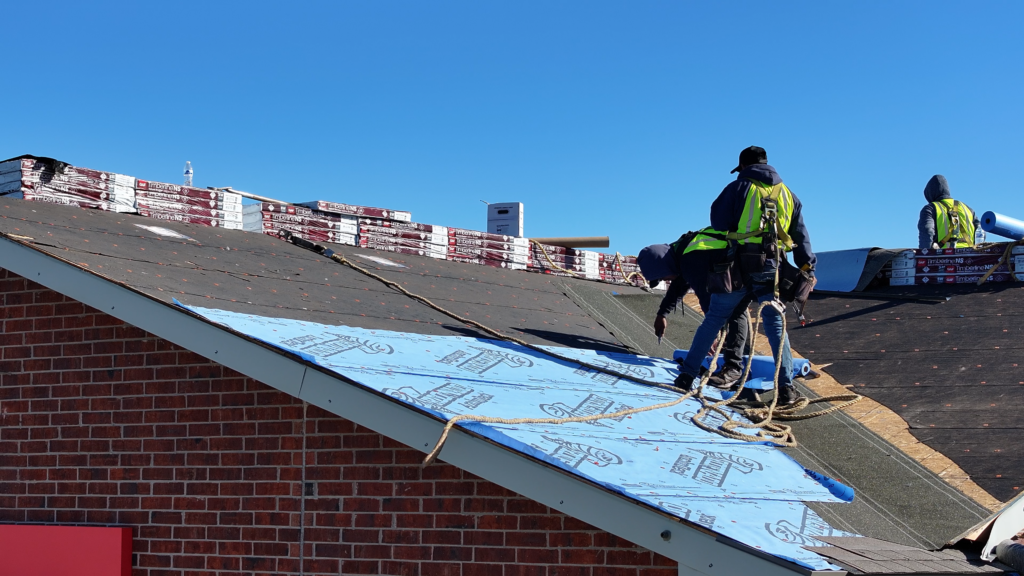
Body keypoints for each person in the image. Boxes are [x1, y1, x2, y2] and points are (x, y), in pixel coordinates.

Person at [676, 146, 816, 407]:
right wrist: (808, 266)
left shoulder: (738, 188)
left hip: (738, 265)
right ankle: (786, 389)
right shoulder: (789, 195)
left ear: (743, 167)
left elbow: (718, 222)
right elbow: (800, 235)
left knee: (716, 318)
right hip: (772, 269)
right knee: (776, 326)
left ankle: (687, 376)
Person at [637, 230, 752, 390]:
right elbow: (679, 286)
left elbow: (708, 301)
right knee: (739, 315)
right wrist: (662, 313)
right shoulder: (682, 253)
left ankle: (734, 368)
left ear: (664, 267)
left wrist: (714, 334)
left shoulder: (691, 259)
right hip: (740, 267)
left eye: (663, 277)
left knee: (736, 313)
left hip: (746, 267)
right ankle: (736, 365)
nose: (665, 280)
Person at [918, 174, 982, 249]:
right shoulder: (967, 208)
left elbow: (927, 231)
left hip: (944, 258)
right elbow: (980, 231)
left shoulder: (930, 208)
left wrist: (925, 254)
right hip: (971, 257)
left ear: (930, 194)